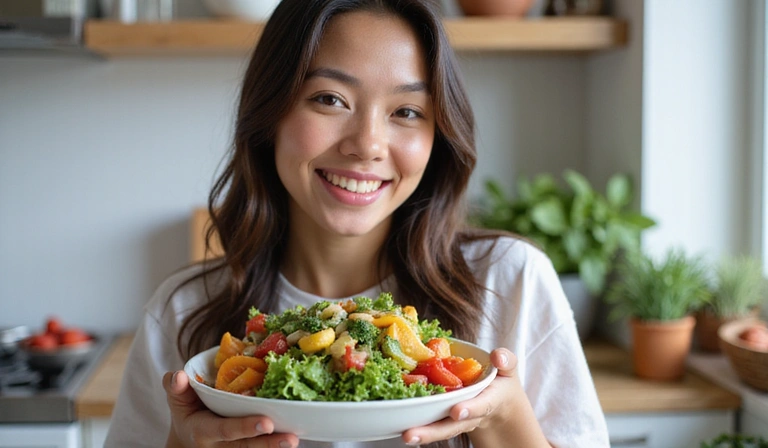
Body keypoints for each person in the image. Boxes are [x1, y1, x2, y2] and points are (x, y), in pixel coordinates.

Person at [104, 0, 610, 447]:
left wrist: (502, 413)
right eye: (329, 99)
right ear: (269, 114)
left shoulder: (510, 280)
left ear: (439, 136)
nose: (367, 144)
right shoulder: (183, 311)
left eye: (407, 110)